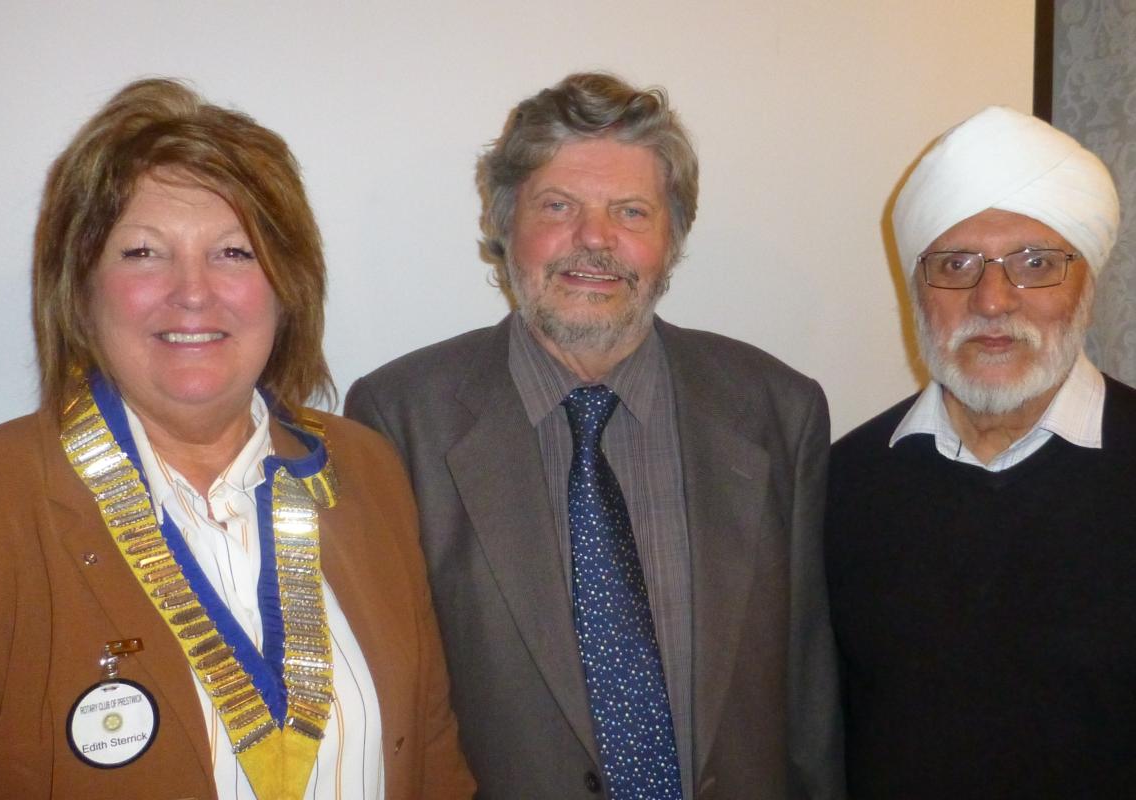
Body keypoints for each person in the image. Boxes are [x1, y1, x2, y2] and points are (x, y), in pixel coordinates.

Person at [346, 72, 842, 800]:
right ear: (502, 220)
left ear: (670, 239)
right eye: (558, 206)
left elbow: (807, 701)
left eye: (631, 212)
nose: (594, 240)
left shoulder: (778, 412)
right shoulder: (398, 419)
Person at [0, 78, 474, 800]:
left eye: (235, 253)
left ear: (287, 284)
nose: (193, 292)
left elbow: (431, 756)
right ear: (79, 286)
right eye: (143, 253)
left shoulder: (365, 468)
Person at [826, 105, 1136, 798]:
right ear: (916, 292)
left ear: (1085, 283)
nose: (992, 299)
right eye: (955, 263)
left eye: (1034, 264)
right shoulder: (840, 486)